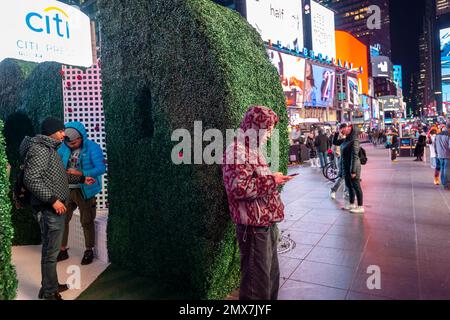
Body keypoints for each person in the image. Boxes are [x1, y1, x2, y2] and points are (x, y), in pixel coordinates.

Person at [222, 106, 292, 300]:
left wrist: (272, 179)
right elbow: (238, 189)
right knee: (256, 285)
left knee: (269, 279)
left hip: (266, 224)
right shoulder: (236, 151)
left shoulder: (253, 150)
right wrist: (273, 180)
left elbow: (255, 182)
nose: (270, 134)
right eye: (267, 129)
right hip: (253, 229)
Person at [19, 117, 93, 300]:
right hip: (50, 210)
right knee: (51, 254)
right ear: (50, 132)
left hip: (53, 209)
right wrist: (53, 201)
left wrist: (82, 179)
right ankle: (50, 293)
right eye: (60, 131)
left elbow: (59, 177)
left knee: (49, 253)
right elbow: (31, 180)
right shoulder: (41, 150)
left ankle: (49, 287)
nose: (63, 135)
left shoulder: (50, 148)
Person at [57, 122, 106, 265]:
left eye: (74, 142)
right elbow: (57, 163)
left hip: (85, 190)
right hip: (67, 189)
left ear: (81, 137)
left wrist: (82, 173)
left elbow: (101, 168)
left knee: (87, 220)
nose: (71, 145)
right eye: (69, 142)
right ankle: (62, 249)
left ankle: (88, 250)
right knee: (63, 219)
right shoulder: (63, 147)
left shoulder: (92, 148)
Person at [340, 124, 364, 213]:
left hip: (353, 167)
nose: (347, 129)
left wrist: (353, 170)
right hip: (346, 167)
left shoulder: (355, 141)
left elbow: (355, 157)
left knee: (356, 187)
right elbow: (336, 142)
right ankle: (351, 204)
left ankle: (360, 206)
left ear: (353, 130)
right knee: (349, 186)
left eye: (349, 128)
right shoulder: (347, 139)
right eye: (347, 128)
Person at [330, 123, 349, 202]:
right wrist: (337, 155)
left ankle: (346, 192)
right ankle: (333, 190)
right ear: (341, 129)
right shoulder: (339, 136)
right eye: (345, 128)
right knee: (342, 176)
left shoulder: (348, 136)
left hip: (348, 158)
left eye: (347, 128)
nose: (346, 129)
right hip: (340, 158)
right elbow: (334, 144)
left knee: (348, 176)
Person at [435, 121, 450, 190]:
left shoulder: (438, 134)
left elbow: (435, 145)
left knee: (443, 168)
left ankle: (444, 183)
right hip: (447, 155)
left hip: (440, 154)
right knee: (446, 169)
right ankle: (447, 184)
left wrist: (437, 153)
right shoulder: (449, 135)